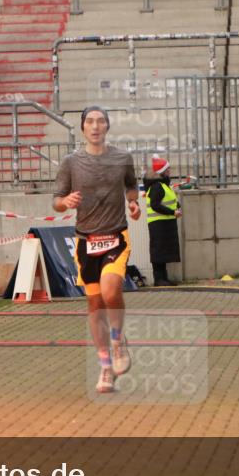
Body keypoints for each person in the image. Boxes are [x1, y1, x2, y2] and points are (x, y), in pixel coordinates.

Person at [53, 106, 140, 394]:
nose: (95, 126)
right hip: (85, 241)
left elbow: (131, 185)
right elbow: (56, 199)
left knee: (111, 291)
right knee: (94, 305)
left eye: (100, 121)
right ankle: (105, 367)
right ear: (82, 128)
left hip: (116, 235)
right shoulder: (71, 163)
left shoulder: (122, 159)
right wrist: (66, 202)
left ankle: (117, 340)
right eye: (90, 121)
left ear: (107, 127)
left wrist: (133, 202)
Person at [143, 156, 182, 287]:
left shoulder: (163, 185)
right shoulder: (157, 186)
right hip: (158, 223)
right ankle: (159, 279)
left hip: (164, 223)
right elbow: (155, 205)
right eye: (168, 169)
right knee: (159, 251)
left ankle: (163, 278)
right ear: (162, 171)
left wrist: (177, 207)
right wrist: (172, 212)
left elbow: (168, 201)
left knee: (163, 251)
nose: (170, 171)